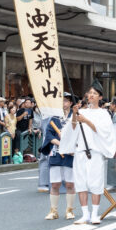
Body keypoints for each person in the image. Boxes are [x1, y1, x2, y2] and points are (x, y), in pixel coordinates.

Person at [59, 80, 116, 225]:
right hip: (80, 151)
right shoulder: (81, 111)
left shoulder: (104, 113)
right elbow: (72, 128)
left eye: (94, 93)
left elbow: (103, 131)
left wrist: (86, 121)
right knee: (81, 183)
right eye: (90, 93)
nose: (91, 95)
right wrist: (74, 115)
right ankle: (85, 214)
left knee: (96, 183)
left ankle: (95, 214)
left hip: (95, 152)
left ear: (100, 97)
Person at [40, 92, 76, 221]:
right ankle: (53, 210)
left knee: (70, 184)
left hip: (70, 154)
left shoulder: (75, 117)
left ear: (71, 103)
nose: (63, 103)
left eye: (66, 101)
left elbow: (79, 135)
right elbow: (49, 135)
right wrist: (61, 144)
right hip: (56, 153)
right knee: (55, 184)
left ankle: (70, 209)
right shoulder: (54, 118)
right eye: (62, 101)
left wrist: (70, 147)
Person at [106, 97, 116, 192]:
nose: (110, 105)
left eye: (111, 104)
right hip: (114, 141)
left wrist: (115, 145)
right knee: (112, 163)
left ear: (114, 105)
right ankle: (114, 183)